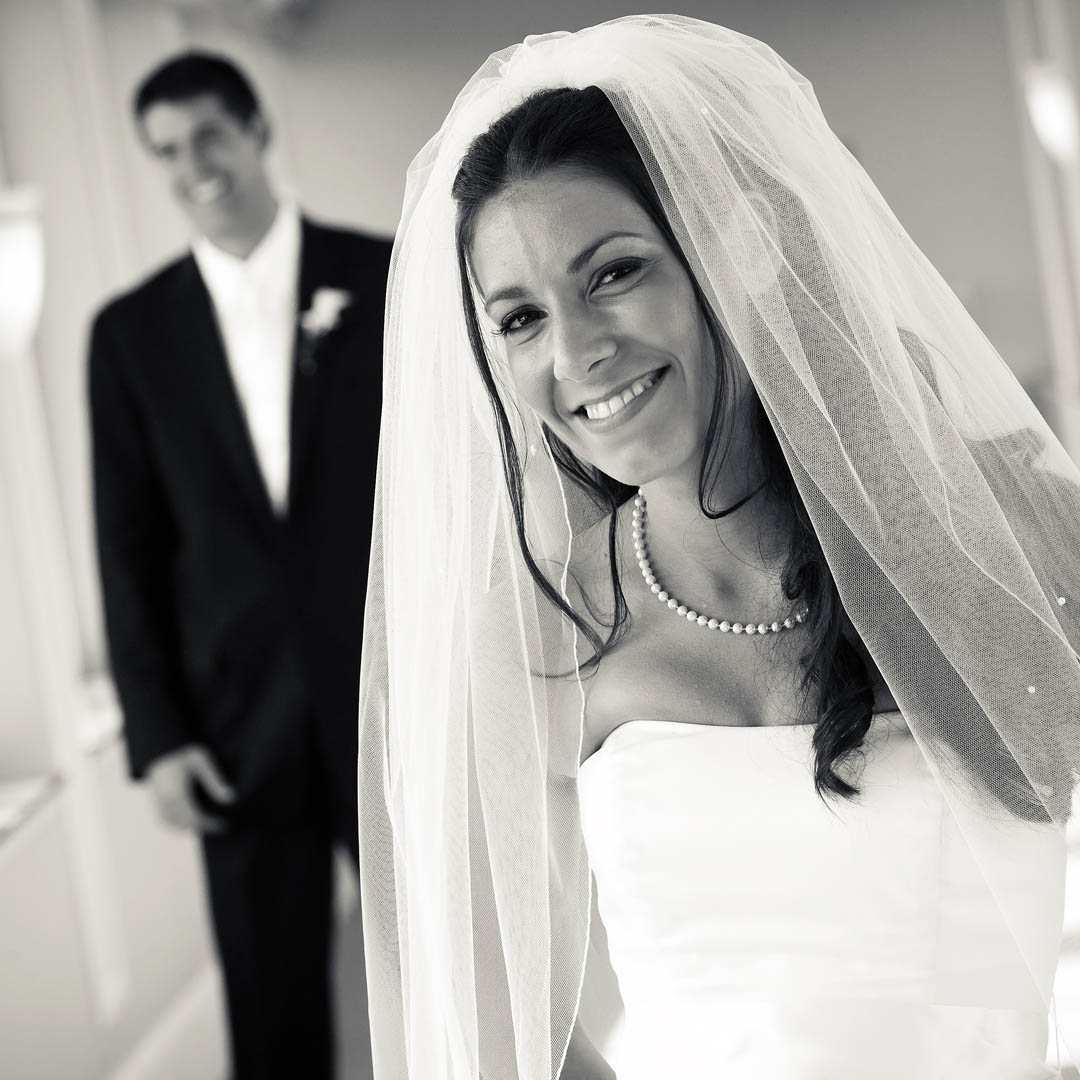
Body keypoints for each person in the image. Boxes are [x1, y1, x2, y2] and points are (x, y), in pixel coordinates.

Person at [357, 16, 1080, 1080]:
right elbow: (500, 1021)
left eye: (613, 273)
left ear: (727, 258)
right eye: (518, 319)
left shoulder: (1006, 534)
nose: (576, 352)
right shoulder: (541, 638)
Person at [88, 52, 390, 1078]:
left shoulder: (388, 277)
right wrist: (158, 734)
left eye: (209, 134)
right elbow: (125, 545)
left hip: (383, 692)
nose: (192, 165)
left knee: (448, 965)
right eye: (166, 150)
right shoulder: (127, 336)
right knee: (270, 1011)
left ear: (259, 129)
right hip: (232, 721)